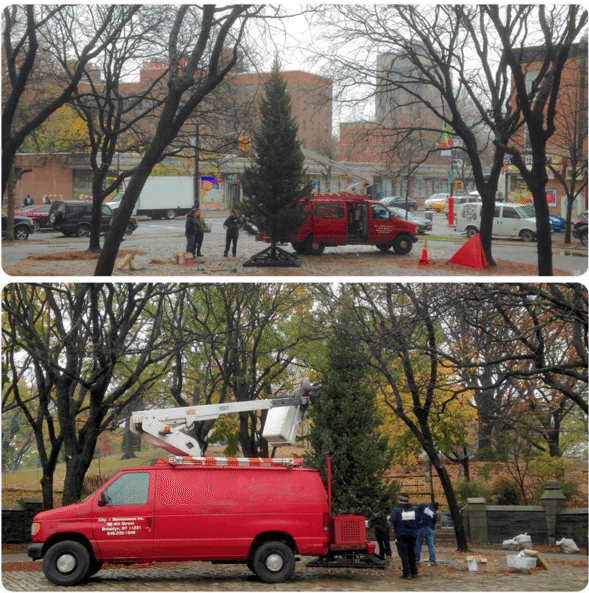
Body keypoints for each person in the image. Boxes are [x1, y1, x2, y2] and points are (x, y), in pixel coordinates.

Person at [390, 492, 419, 579]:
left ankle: (406, 573)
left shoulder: (396, 510)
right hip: (412, 535)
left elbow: (392, 520)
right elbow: (418, 519)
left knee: (404, 555)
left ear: (399, 500)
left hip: (401, 534)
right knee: (412, 553)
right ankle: (414, 572)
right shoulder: (414, 510)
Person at [415, 501, 438, 566]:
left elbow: (416, 511)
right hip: (429, 528)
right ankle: (432, 561)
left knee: (418, 545)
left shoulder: (423, 505)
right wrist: (432, 529)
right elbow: (434, 523)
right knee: (431, 545)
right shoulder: (434, 513)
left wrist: (417, 522)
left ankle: (416, 560)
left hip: (419, 527)